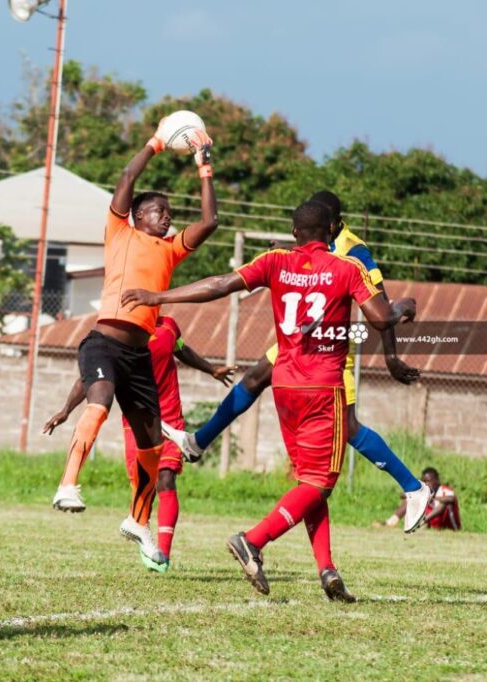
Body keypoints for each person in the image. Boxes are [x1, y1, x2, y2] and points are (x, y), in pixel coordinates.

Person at [121, 200, 417, 601]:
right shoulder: (348, 268)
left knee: (307, 483)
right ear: (331, 231)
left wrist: (158, 297)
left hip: (284, 386)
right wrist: (403, 309)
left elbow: (220, 284)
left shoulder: (276, 261)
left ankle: (327, 570)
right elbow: (379, 318)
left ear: (295, 233)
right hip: (323, 385)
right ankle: (253, 540)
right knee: (320, 482)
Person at [161, 190, 432, 533]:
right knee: (255, 377)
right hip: (298, 344)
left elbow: (382, 305)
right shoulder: (318, 238)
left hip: (331, 347)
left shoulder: (356, 251)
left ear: (331, 224)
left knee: (347, 426)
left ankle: (414, 488)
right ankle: (199, 441)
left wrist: (391, 355)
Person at [51, 119, 217, 569]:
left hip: (138, 354)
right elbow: (127, 179)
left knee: (150, 447)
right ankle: (68, 483)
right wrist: (157, 143)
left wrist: (205, 170)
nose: (166, 216)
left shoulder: (170, 249)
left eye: (168, 212)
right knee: (100, 405)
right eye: (157, 210)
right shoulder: (120, 233)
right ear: (137, 216)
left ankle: (138, 522)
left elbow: (210, 221)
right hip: (103, 341)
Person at [44, 316, 235, 571]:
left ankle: (162, 553)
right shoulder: (122, 334)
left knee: (165, 477)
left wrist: (211, 369)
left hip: (169, 413)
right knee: (142, 484)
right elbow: (89, 377)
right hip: (137, 415)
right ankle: (140, 527)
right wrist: (66, 409)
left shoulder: (169, 325)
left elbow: (182, 349)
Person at [383, 467, 461, 530]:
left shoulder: (444, 490)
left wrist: (432, 497)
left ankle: (421, 523)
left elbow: (451, 499)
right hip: (433, 527)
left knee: (443, 502)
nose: (426, 484)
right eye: (424, 481)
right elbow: (402, 495)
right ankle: (392, 521)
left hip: (450, 527)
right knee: (411, 498)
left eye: (428, 481)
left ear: (437, 481)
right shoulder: (425, 492)